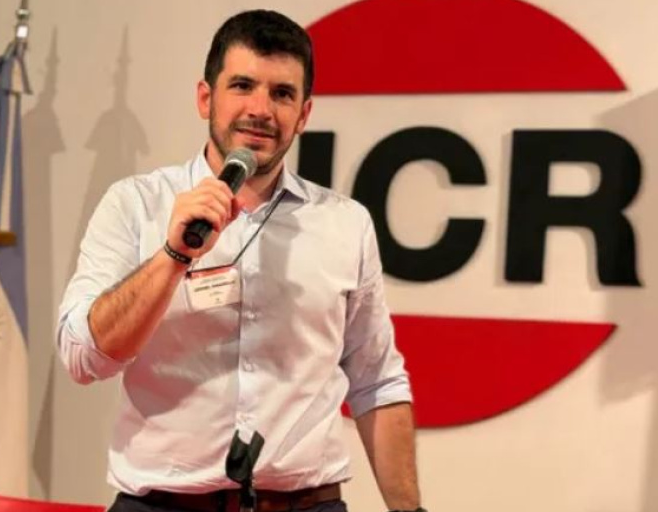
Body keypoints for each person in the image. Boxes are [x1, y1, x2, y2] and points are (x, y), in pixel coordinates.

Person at [56, 9, 424, 512]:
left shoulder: (345, 223)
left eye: (282, 94)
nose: (261, 110)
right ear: (205, 98)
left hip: (306, 504)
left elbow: (376, 381)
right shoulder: (136, 204)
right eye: (243, 86)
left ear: (304, 115)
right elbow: (84, 358)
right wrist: (173, 256)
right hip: (164, 505)